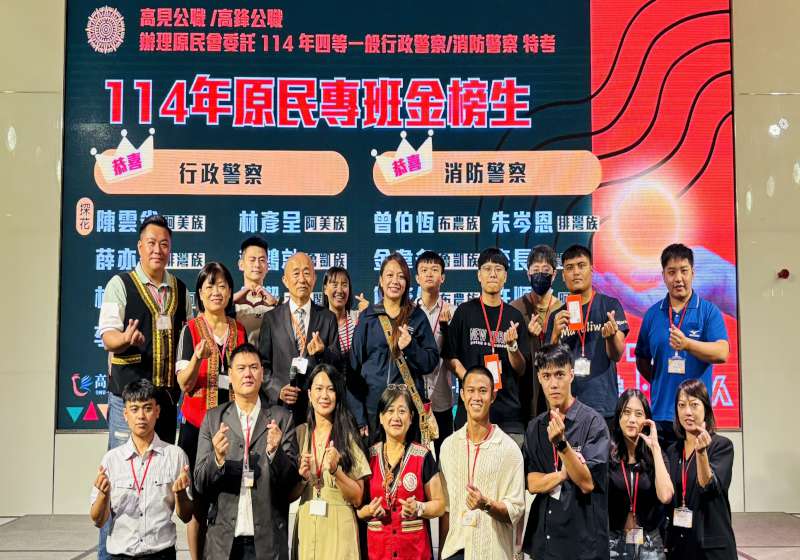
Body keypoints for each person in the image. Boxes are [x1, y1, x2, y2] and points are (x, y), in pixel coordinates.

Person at [97, 214, 192, 560]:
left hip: (164, 402)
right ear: (139, 247)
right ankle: (110, 554)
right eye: (151, 243)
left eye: (164, 244)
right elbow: (108, 336)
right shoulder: (120, 284)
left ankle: (157, 550)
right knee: (119, 485)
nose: (158, 250)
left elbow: (189, 337)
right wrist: (124, 339)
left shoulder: (181, 290)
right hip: (128, 401)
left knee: (158, 483)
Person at [194, 343, 299, 560]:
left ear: (262, 373)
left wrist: (275, 453)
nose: (248, 374)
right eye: (241, 368)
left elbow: (291, 484)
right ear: (230, 375)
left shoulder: (281, 418)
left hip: (268, 543)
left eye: (254, 367)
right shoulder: (213, 419)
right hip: (223, 544)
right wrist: (217, 459)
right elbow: (200, 483)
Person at [176, 262, 247, 560]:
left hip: (232, 428)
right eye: (210, 286)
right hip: (196, 427)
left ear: (230, 292)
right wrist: (196, 358)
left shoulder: (238, 330)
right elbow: (183, 383)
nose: (216, 291)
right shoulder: (190, 330)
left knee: (230, 498)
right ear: (200, 294)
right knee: (197, 503)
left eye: (222, 286)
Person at [523, 343, 610, 560]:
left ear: (571, 374)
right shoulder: (535, 427)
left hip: (582, 546)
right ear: (539, 378)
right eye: (547, 376)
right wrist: (563, 475)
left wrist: (562, 445)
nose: (553, 384)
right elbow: (532, 483)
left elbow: (587, 483)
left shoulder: (593, 423)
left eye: (560, 374)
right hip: (545, 544)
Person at [635, 244, 729, 446]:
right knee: (661, 466)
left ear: (693, 273)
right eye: (671, 272)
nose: (678, 278)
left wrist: (688, 344)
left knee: (697, 467)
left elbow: (722, 352)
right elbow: (641, 359)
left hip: (695, 415)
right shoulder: (652, 314)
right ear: (663, 276)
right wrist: (659, 380)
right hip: (662, 415)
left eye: (684, 271)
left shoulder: (708, 311)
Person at [90, 379, 193, 560]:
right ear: (125, 414)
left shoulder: (175, 456)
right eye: (134, 409)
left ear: (157, 411)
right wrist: (103, 496)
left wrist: (181, 494)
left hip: (161, 555)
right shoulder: (111, 460)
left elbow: (186, 516)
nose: (141, 416)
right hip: (120, 555)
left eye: (147, 408)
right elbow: (98, 521)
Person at [438, 366, 525, 560]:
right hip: (454, 551)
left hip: (491, 553)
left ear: (493, 396)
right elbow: (446, 509)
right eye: (471, 390)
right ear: (462, 395)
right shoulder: (448, 447)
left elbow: (516, 511)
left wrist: (486, 505)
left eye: (483, 391)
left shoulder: (509, 450)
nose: (476, 397)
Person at [446, 247, 530, 444]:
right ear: (479, 275)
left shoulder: (514, 316)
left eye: (498, 269)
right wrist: (472, 380)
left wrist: (512, 347)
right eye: (487, 268)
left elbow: (521, 368)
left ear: (505, 277)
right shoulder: (464, 312)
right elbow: (450, 356)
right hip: (471, 412)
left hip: (508, 415)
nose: (493, 274)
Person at [349, 252, 439, 435]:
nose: (395, 281)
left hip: (406, 414)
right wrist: (359, 417)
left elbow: (431, 362)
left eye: (401, 276)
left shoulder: (417, 317)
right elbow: (352, 371)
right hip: (373, 413)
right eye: (389, 275)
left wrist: (411, 347)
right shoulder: (368, 317)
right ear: (381, 281)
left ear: (407, 283)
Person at [289, 364, 370, 560]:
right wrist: (302, 478)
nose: (324, 395)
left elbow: (358, 497)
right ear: (309, 394)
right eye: (318, 388)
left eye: (331, 389)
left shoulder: (348, 436)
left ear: (338, 395)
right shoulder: (300, 434)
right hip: (307, 528)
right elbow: (289, 496)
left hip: (339, 530)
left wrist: (336, 471)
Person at [357, 385, 446, 560]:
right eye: (390, 411)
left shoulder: (423, 456)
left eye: (402, 411)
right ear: (381, 417)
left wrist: (419, 507)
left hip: (415, 553)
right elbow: (358, 509)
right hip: (379, 553)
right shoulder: (368, 457)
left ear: (411, 418)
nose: (396, 417)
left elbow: (440, 505)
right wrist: (369, 511)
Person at [546, 244, 629, 423]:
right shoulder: (557, 316)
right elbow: (548, 366)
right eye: (569, 268)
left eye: (581, 265)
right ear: (563, 276)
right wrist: (555, 336)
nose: (576, 272)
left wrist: (611, 337)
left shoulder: (610, 306)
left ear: (592, 270)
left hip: (603, 406)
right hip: (568, 406)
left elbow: (617, 355)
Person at [259, 252, 339, 426]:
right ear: (285, 280)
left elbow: (338, 365)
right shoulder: (271, 319)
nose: (302, 279)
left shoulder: (327, 318)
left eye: (307, 273)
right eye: (296, 273)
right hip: (281, 410)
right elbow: (262, 366)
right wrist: (278, 390)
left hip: (318, 410)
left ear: (314, 278)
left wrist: (322, 352)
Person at [666, 379, 737, 560]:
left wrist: (701, 452)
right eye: (682, 405)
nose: (687, 412)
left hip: (712, 549)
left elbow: (708, 486)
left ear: (706, 409)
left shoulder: (721, 446)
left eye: (694, 404)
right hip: (681, 547)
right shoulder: (673, 451)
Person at [608, 389, 674, 559]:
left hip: (649, 543)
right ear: (619, 417)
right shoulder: (607, 455)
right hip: (614, 541)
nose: (632, 419)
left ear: (646, 420)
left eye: (638, 414)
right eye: (627, 412)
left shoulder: (656, 456)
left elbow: (666, 496)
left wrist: (655, 448)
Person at [510, 244, 563, 421]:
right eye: (536, 270)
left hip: (555, 397)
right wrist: (527, 338)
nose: (540, 275)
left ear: (554, 275)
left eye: (546, 270)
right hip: (523, 397)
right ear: (528, 274)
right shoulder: (515, 309)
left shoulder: (562, 311)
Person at [414, 250, 455, 459]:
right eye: (424, 270)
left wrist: (447, 330)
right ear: (417, 278)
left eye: (434, 270)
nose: (429, 274)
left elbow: (454, 353)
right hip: (413, 398)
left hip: (442, 398)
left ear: (443, 277)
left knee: (444, 459)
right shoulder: (408, 312)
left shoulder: (452, 312)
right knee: (415, 459)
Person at [233, 236, 278, 346]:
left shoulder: (276, 304)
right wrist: (228, 302)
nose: (257, 265)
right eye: (252, 260)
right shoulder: (231, 303)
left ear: (267, 267)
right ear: (241, 265)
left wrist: (276, 306)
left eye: (262, 260)